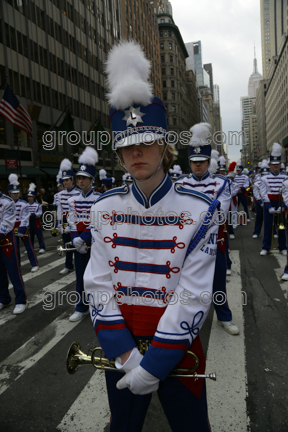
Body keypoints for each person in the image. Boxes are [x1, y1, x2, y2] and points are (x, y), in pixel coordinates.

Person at [84, 41, 221, 432]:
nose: (137, 153)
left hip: (178, 350)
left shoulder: (199, 210)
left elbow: (194, 293)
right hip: (121, 345)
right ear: (118, 153)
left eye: (147, 142)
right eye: (127, 146)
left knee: (192, 427)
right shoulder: (103, 209)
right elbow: (96, 284)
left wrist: (157, 362)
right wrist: (126, 355)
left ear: (164, 145)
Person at [177, 126, 239, 335]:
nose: (197, 166)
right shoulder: (180, 183)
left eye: (201, 162)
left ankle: (224, 317)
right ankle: (186, 319)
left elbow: (220, 213)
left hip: (214, 242)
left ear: (208, 162)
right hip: (187, 243)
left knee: (218, 281)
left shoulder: (221, 183)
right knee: (186, 284)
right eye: (194, 162)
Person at [67, 147, 101, 322]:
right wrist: (75, 240)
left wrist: (84, 238)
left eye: (84, 178)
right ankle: (81, 306)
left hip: (95, 243)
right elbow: (72, 220)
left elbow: (98, 221)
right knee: (80, 276)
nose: (80, 181)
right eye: (78, 178)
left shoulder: (100, 199)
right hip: (79, 243)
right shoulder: (72, 199)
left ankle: (98, 305)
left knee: (97, 276)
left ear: (91, 180)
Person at [0, 183, 27, 314]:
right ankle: (4, 298)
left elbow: (7, 223)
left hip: (7, 240)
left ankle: (21, 300)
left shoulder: (7, 202)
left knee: (14, 271)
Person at [259, 144, 288, 256]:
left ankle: (282, 247)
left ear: (280, 164)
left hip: (281, 202)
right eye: (273, 164)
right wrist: (269, 207)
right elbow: (263, 193)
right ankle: (265, 247)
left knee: (281, 226)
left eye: (277, 164)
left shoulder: (285, 177)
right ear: (270, 165)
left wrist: (284, 206)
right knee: (268, 226)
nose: (275, 166)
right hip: (269, 203)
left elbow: (287, 193)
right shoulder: (264, 178)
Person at [8, 176, 39, 272]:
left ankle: (34, 264)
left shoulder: (23, 203)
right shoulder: (7, 203)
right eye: (14, 193)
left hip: (22, 226)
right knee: (14, 248)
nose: (16, 194)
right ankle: (17, 264)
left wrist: (22, 227)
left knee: (28, 247)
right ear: (10, 193)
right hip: (11, 227)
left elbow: (25, 216)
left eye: (17, 193)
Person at [57, 159, 80, 275]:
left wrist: (72, 225)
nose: (65, 183)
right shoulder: (60, 195)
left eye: (67, 180)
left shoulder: (78, 193)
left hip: (75, 220)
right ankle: (68, 265)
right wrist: (59, 224)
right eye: (64, 180)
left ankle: (79, 265)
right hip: (65, 219)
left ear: (72, 180)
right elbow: (59, 209)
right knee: (66, 244)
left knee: (76, 242)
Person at [252, 160, 269, 239]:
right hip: (260, 203)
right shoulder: (257, 182)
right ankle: (256, 232)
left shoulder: (270, 181)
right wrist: (260, 201)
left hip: (269, 202)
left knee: (270, 219)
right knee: (259, 218)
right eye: (263, 174)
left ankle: (273, 232)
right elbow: (256, 193)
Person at [27, 183, 46, 253]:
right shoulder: (26, 205)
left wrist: (32, 215)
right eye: (28, 196)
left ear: (34, 197)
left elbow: (39, 213)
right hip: (29, 222)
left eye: (31, 196)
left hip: (36, 221)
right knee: (30, 236)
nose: (29, 198)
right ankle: (30, 247)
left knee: (39, 235)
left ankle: (42, 247)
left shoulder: (37, 205)